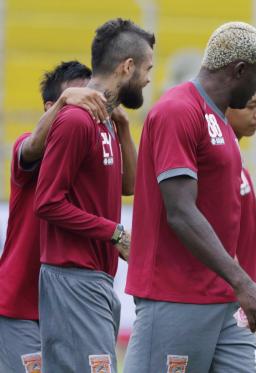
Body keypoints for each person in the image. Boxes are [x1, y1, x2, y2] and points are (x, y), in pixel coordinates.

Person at [124, 22, 256, 373]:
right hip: (176, 296)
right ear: (239, 70)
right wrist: (244, 282)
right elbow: (180, 212)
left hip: (225, 301)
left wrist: (239, 285)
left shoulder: (220, 121)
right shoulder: (177, 110)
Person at [34, 18, 154, 373]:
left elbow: (128, 186)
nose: (148, 79)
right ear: (127, 67)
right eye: (147, 69)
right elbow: (47, 201)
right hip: (73, 278)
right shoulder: (76, 120)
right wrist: (114, 232)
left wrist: (124, 128)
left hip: (96, 278)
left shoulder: (104, 120)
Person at [0, 61, 110, 372]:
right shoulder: (28, 147)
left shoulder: (89, 155)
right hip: (21, 307)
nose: (87, 106)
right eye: (79, 98)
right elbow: (33, 145)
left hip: (68, 307)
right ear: (50, 106)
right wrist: (66, 103)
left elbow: (129, 185)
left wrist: (123, 125)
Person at [226, 87, 256, 371]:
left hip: (245, 309)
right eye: (251, 105)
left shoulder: (238, 163)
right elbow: (220, 243)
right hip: (233, 312)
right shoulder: (219, 166)